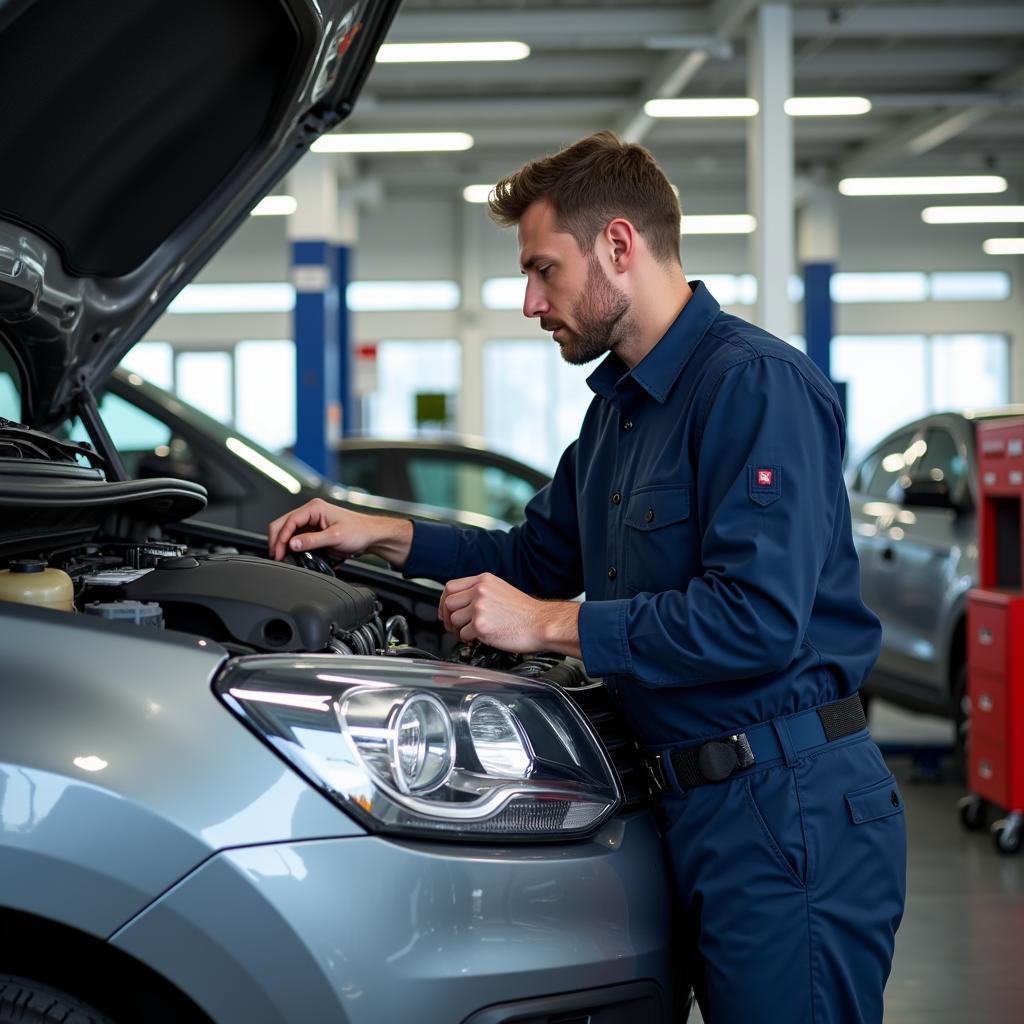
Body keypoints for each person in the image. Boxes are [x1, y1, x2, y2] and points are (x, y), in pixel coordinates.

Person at [268, 131, 906, 1024]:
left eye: (543, 271)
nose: (531, 302)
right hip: (680, 807)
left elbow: (755, 618)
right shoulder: (617, 419)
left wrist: (551, 625)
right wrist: (379, 534)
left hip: (786, 810)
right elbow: (530, 560)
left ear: (617, 244)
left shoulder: (755, 388)